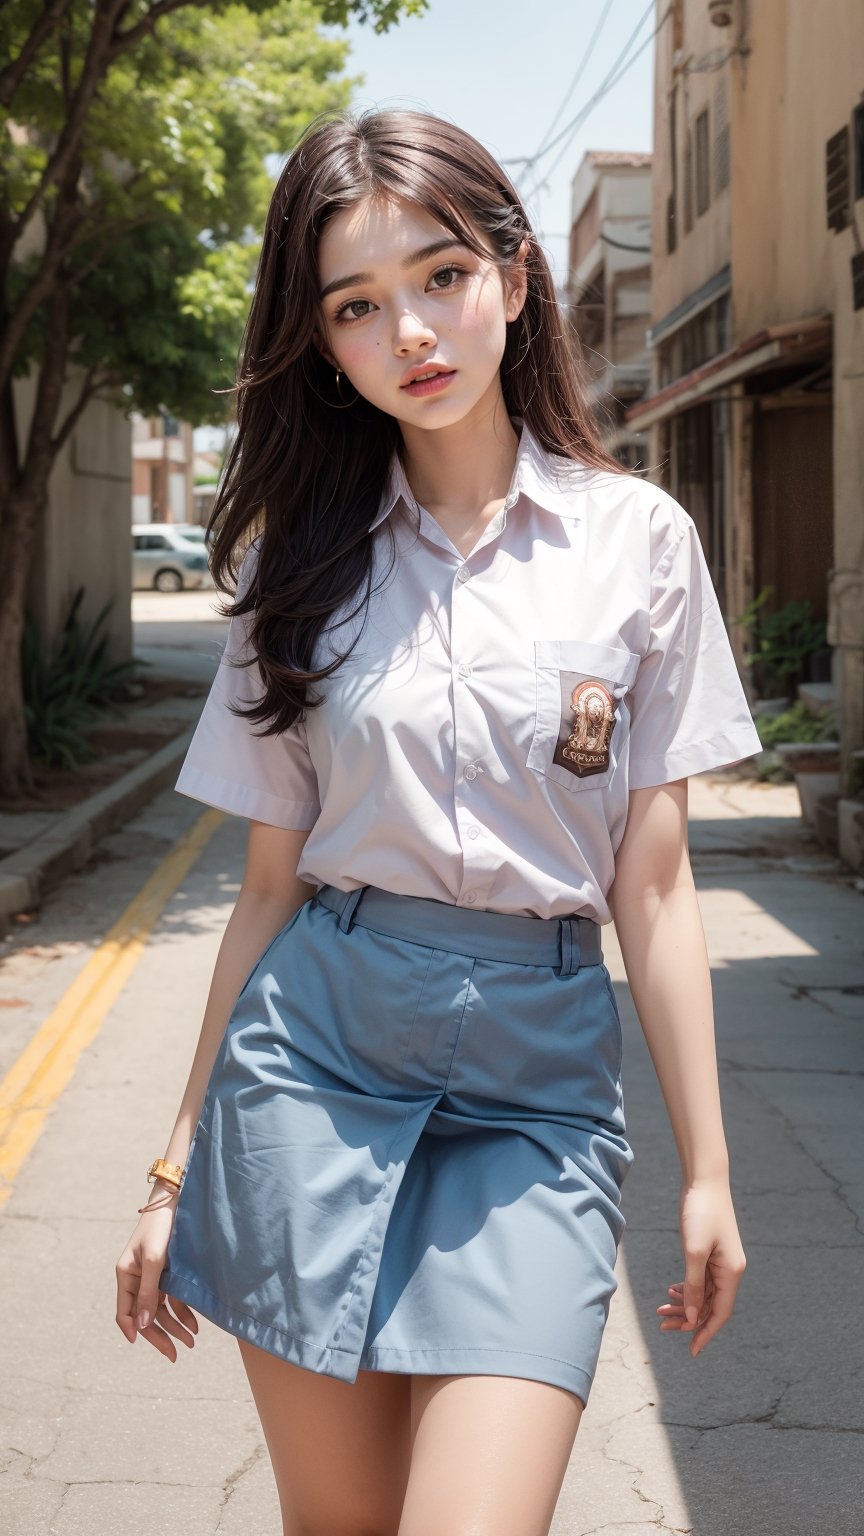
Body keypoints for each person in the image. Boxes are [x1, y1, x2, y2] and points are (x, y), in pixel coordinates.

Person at [115, 108, 761, 1536]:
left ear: (516, 281)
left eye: (441, 275)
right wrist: (171, 1173)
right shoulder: (300, 571)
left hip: (537, 1104)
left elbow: (653, 890)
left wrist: (709, 1173)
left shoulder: (638, 540)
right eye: (357, 305)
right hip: (310, 1077)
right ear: (324, 346)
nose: (410, 328)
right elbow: (266, 890)